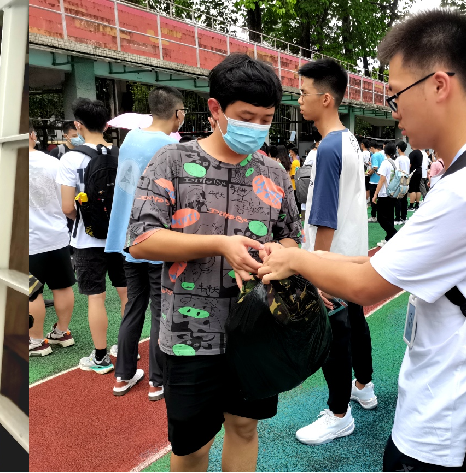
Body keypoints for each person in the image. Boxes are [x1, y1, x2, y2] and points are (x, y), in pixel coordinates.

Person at [259, 10, 466, 471]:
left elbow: (367, 283)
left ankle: (342, 407)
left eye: (395, 95)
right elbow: (374, 267)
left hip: (449, 423)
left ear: (438, 85)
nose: (393, 110)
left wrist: (297, 261)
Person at [126, 53, 301, 473]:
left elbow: (290, 237)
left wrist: (276, 255)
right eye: (246, 117)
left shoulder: (275, 173)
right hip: (190, 336)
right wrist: (221, 244)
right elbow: (142, 239)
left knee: (245, 427)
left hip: (256, 332)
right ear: (215, 108)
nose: (256, 128)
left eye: (266, 119)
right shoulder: (171, 162)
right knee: (191, 447)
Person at [293, 57, 375, 446]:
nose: (299, 100)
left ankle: (339, 414)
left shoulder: (327, 148)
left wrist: (316, 270)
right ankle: (364, 386)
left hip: (333, 259)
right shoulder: (350, 140)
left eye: (303, 93)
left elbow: (324, 217)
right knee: (356, 323)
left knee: (334, 337)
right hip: (352, 255)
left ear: (326, 99)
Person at [107, 86, 184, 399]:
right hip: (157, 238)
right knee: (160, 311)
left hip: (130, 239)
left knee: (133, 308)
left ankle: (123, 375)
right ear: (178, 113)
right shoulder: (172, 148)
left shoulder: (130, 139)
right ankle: (157, 380)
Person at [58, 98, 128, 374]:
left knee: (96, 297)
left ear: (78, 125)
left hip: (87, 240)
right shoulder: (122, 154)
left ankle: (100, 357)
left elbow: (67, 207)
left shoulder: (71, 158)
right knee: (126, 294)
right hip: (120, 237)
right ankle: (128, 349)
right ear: (107, 125)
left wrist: (87, 218)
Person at [29, 129, 78, 357]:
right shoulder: (54, 163)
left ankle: (36, 340)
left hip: (29, 239)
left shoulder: (6, 165)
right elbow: (67, 200)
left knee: (31, 292)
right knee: (62, 286)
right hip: (57, 234)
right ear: (32, 135)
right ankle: (62, 332)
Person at [372, 143, 400, 245]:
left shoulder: (385, 163)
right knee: (389, 216)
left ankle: (394, 234)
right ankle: (389, 238)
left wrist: (375, 194)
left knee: (381, 217)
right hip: (393, 192)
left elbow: (382, 180)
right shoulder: (395, 162)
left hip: (384, 193)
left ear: (385, 151)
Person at [368, 141, 385, 222]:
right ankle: (380, 216)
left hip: (374, 180)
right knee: (380, 199)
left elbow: (375, 167)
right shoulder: (382, 155)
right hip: (381, 180)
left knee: (373, 199)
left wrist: (370, 172)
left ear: (372, 148)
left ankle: (373, 216)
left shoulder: (374, 155)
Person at [395, 142, 411, 224]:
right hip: (406, 179)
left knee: (398, 199)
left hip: (400, 180)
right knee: (404, 199)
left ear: (399, 148)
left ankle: (398, 218)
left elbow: (397, 170)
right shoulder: (407, 158)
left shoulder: (398, 159)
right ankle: (404, 217)